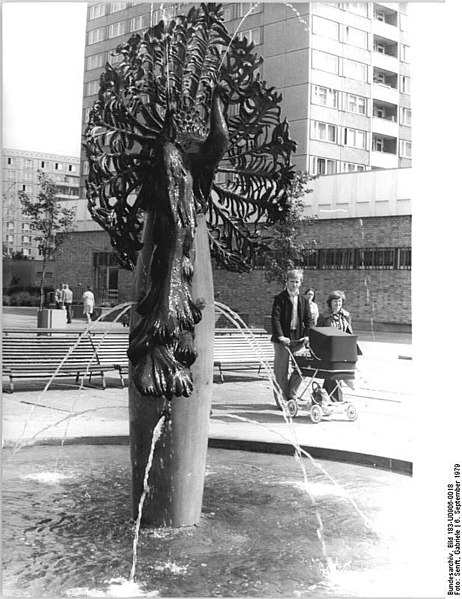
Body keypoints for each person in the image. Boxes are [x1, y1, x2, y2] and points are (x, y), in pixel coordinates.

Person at [271, 269, 314, 407]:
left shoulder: (303, 300)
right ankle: (281, 400)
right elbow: (275, 319)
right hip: (283, 339)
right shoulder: (280, 298)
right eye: (292, 281)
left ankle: (291, 394)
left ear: (300, 283)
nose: (294, 285)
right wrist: (281, 336)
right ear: (287, 282)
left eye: (297, 282)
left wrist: (307, 335)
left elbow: (308, 319)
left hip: (298, 339)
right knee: (281, 371)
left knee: (301, 368)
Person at [317, 290, 356, 401]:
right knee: (333, 373)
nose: (337, 304)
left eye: (339, 301)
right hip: (328, 351)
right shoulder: (323, 317)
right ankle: (335, 399)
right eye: (335, 301)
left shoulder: (346, 315)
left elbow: (349, 333)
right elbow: (317, 334)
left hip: (342, 350)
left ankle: (323, 398)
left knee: (334, 373)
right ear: (330, 303)